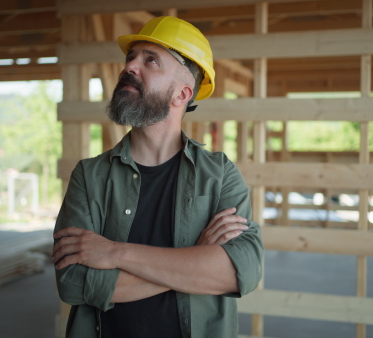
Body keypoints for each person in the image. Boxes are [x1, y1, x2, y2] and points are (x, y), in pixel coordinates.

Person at [52, 16, 264, 338]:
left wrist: (113, 253)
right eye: (131, 57)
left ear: (181, 94)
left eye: (150, 60)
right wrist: (195, 259)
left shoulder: (220, 175)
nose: (131, 67)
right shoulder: (90, 175)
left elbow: (239, 273)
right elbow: (73, 282)